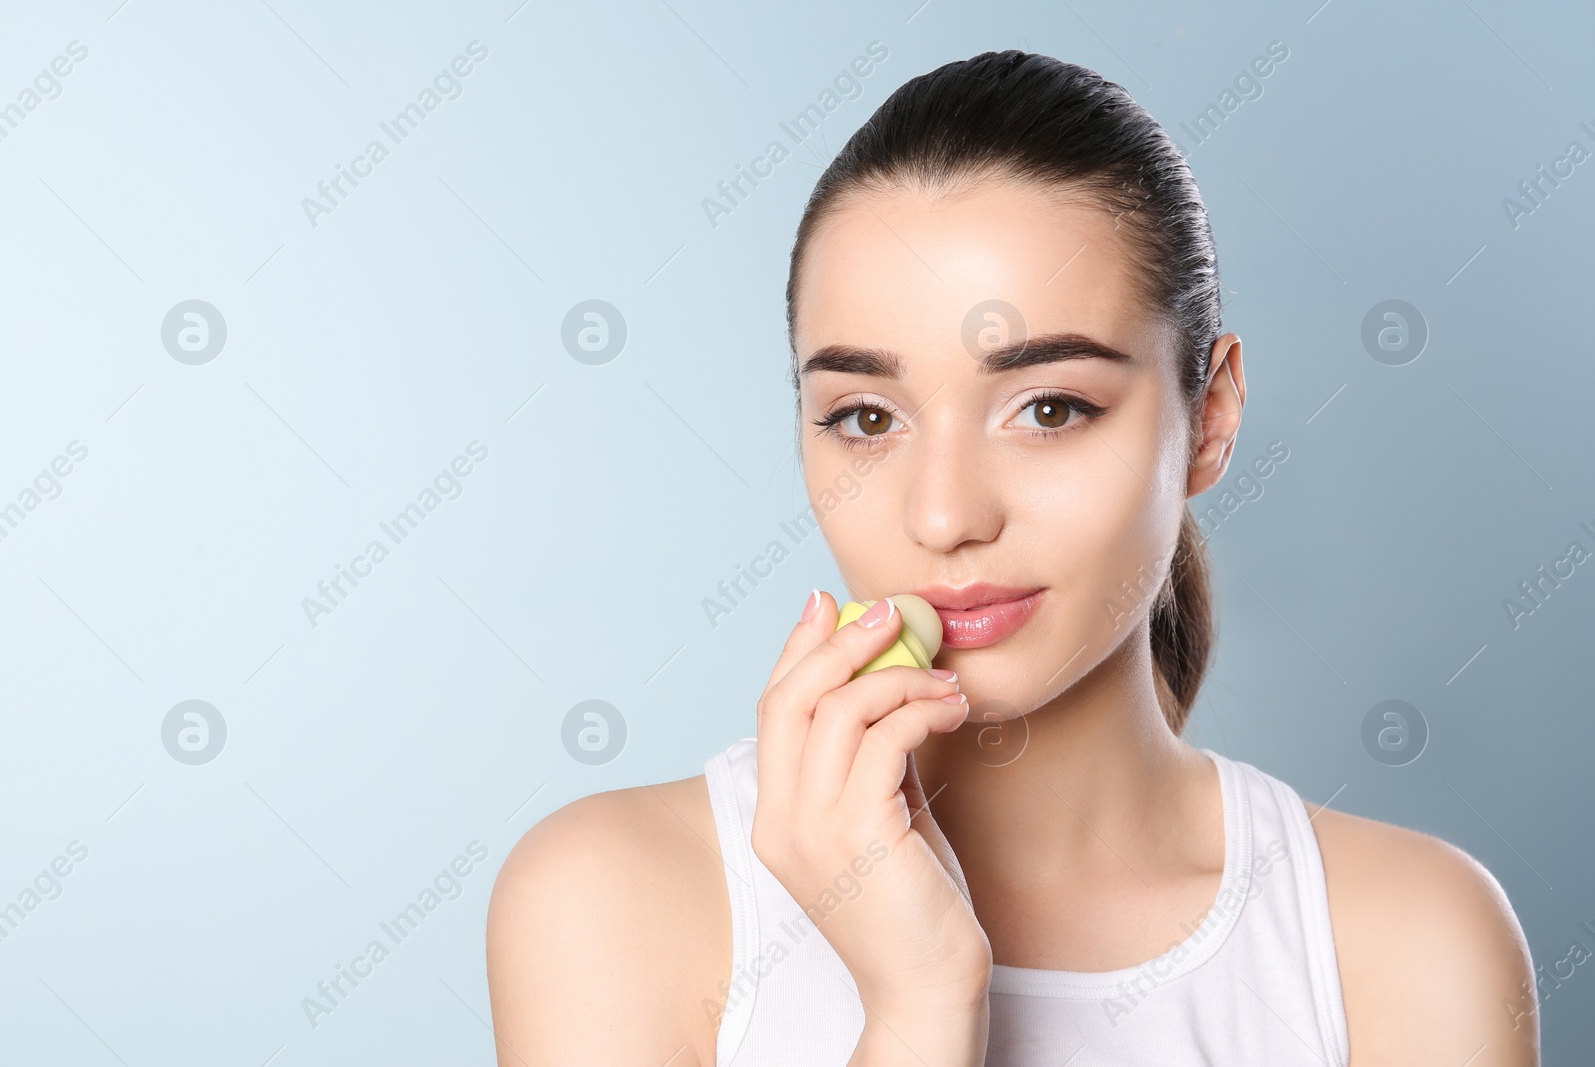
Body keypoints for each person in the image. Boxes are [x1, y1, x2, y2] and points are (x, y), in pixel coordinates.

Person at [485, 50, 1538, 1066]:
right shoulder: (612, 896)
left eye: (1047, 407)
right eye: (863, 416)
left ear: (1209, 418)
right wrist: (920, 1004)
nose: (944, 515)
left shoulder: (1405, 940)